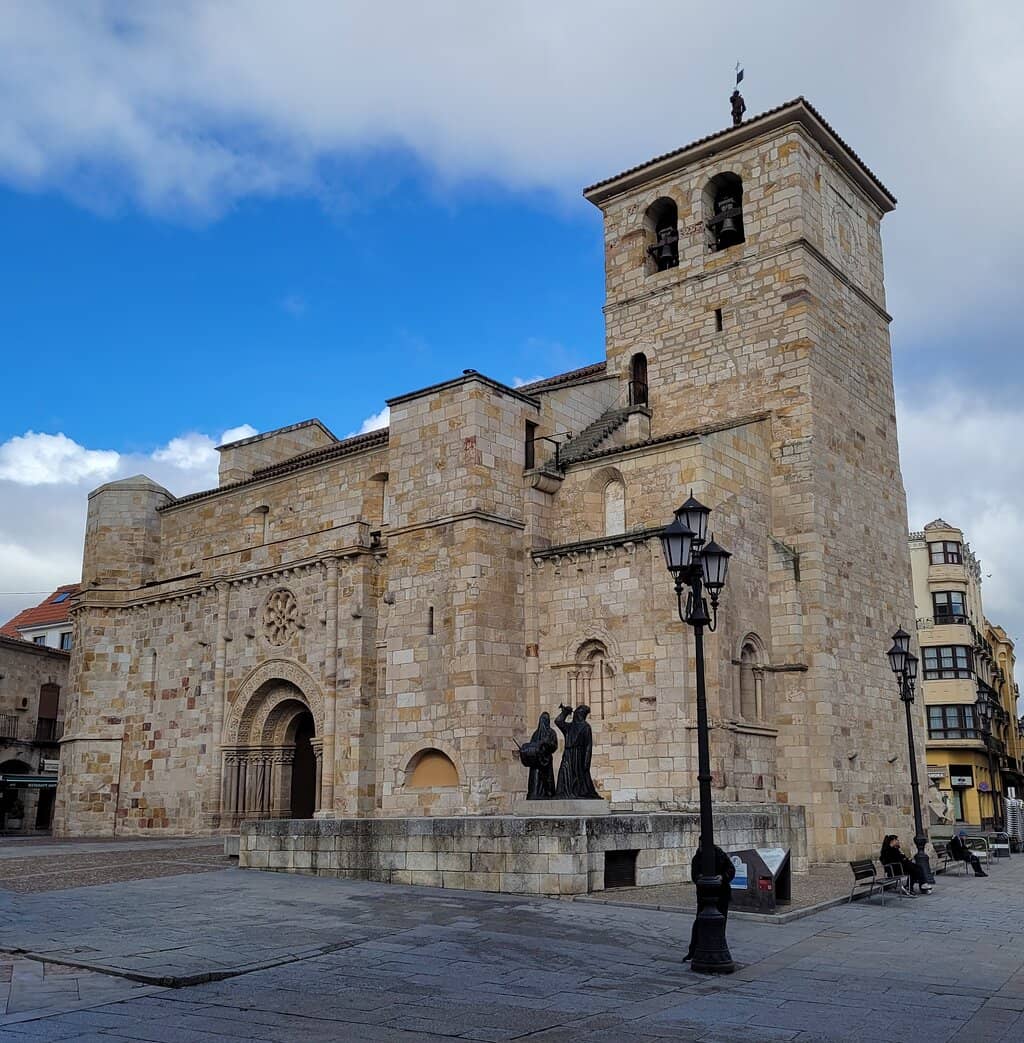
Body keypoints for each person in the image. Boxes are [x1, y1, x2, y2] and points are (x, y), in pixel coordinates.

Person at [683, 843, 736, 962]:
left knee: (720, 922)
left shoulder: (720, 855)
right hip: (704, 895)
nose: (702, 847)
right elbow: (694, 875)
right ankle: (693, 950)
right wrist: (700, 878)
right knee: (699, 923)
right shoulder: (698, 857)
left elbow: (731, 869)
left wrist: (722, 877)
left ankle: (718, 946)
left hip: (721, 894)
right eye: (701, 845)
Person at [554, 704, 600, 800]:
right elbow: (558, 721)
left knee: (578, 776)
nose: (575, 715)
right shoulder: (569, 727)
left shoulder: (586, 727)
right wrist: (565, 712)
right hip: (568, 754)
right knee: (565, 773)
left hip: (578, 755)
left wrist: (586, 761)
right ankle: (566, 792)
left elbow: (588, 746)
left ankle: (577, 792)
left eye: (577, 713)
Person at [519, 712, 558, 800]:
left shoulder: (551, 733)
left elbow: (554, 746)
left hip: (546, 760)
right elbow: (532, 746)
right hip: (536, 761)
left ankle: (548, 794)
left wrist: (546, 743)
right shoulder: (536, 734)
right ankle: (535, 795)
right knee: (535, 779)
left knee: (547, 779)